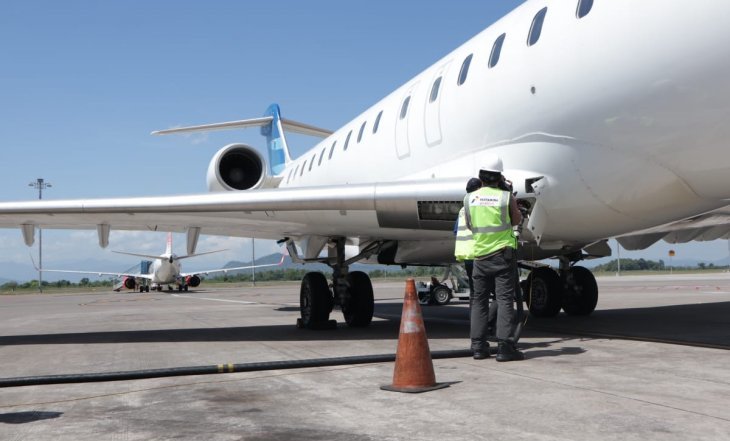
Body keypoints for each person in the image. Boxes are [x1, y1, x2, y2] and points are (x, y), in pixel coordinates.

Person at [464, 156, 524, 361]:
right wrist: (508, 193)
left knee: (479, 301)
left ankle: (479, 347)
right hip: (502, 256)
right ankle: (505, 347)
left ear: (480, 177)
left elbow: (471, 225)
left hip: (480, 256)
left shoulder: (469, 198)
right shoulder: (505, 198)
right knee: (505, 299)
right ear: (499, 177)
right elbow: (517, 220)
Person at [454, 177, 483, 296]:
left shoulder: (462, 209)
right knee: (484, 290)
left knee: (474, 291)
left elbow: (456, 231)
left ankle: (475, 314)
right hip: (478, 252)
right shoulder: (479, 206)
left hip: (466, 254)